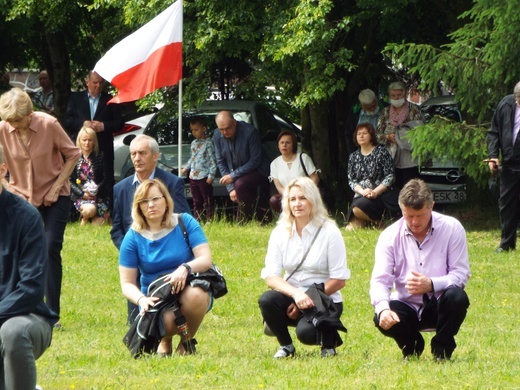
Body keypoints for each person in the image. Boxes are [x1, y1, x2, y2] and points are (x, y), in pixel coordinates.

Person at [0, 88, 80, 322]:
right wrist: (11, 189)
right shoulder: (3, 129)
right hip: (21, 198)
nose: (15, 125)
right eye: (10, 121)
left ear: (30, 113)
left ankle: (51, 313)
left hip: (54, 195)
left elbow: (73, 154)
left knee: (49, 247)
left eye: (18, 120)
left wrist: (56, 187)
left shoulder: (49, 124)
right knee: (17, 249)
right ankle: (17, 304)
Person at [370, 179, 470, 361]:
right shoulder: (389, 236)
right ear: (401, 209)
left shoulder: (452, 228)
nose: (414, 222)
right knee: (380, 314)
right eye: (409, 216)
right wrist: (383, 310)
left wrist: (431, 284)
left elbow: (461, 274)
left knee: (458, 297)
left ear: (432, 206)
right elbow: (380, 280)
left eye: (420, 215)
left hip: (440, 301)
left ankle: (442, 349)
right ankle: (412, 345)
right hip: (405, 304)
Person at [258, 177, 350, 358]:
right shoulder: (280, 232)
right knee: (267, 300)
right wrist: (296, 295)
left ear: (313, 201)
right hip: (293, 295)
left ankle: (328, 339)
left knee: (306, 334)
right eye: (292, 199)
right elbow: (271, 277)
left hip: (324, 298)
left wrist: (306, 300)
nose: (297, 204)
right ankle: (286, 346)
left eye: (302, 198)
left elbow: (339, 281)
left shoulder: (330, 232)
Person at [119, 179, 212, 355]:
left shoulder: (185, 222)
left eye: (155, 198)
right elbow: (126, 283)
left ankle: (186, 343)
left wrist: (185, 268)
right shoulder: (132, 237)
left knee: (197, 295)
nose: (151, 205)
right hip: (155, 298)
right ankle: (165, 338)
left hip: (188, 288)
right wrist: (141, 300)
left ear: (166, 200)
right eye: (144, 201)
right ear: (138, 207)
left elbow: (205, 259)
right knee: (164, 323)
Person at [111, 134, 191, 324]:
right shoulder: (121, 188)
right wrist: (132, 250)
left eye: (142, 153)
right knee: (136, 323)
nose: (137, 158)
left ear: (155, 156)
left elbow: (183, 223)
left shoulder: (172, 183)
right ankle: (138, 323)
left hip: (166, 256)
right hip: (135, 255)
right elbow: (116, 229)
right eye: (133, 154)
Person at [0, 145, 59, 389]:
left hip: (26, 316)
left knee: (12, 332)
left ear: (3, 169)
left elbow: (31, 289)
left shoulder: (26, 217)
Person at [64, 70, 124, 207]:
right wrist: (82, 124)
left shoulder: (110, 100)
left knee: (106, 178)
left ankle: (106, 209)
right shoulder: (75, 99)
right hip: (81, 148)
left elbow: (120, 123)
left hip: (103, 147)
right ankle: (78, 209)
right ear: (87, 83)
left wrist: (104, 126)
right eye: (95, 83)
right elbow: (67, 121)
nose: (98, 86)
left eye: (101, 83)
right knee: (77, 177)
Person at [213, 110, 270, 222]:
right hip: (238, 172)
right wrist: (230, 188)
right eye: (221, 129)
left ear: (234, 123)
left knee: (240, 183)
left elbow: (255, 160)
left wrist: (233, 176)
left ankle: (243, 221)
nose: (224, 132)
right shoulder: (216, 134)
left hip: (258, 169)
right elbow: (221, 161)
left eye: (227, 128)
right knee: (240, 186)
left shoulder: (250, 131)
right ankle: (257, 219)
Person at [486, 81, 520, 253]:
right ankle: (506, 244)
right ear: (516, 98)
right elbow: (494, 132)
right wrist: (493, 156)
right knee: (507, 204)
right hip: (509, 163)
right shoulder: (505, 104)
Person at [346, 123, 399, 230]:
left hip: (379, 195)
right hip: (361, 195)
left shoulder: (381, 152)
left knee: (357, 210)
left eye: (364, 133)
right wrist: (362, 191)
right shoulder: (353, 157)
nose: (361, 136)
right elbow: (351, 180)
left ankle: (379, 223)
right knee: (350, 229)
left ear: (371, 136)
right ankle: (373, 221)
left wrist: (375, 192)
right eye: (358, 134)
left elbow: (390, 176)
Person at [376, 81, 424, 190]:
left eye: (399, 95)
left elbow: (422, 132)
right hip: (391, 156)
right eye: (393, 95)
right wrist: (387, 137)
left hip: (410, 156)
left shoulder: (414, 110)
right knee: (394, 188)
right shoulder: (385, 112)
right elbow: (376, 135)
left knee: (411, 188)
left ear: (405, 94)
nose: (396, 98)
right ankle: (395, 207)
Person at [269, 130, 319, 213]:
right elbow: (279, 186)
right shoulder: (274, 164)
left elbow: (315, 178)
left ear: (293, 145)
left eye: (288, 143)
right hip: (287, 195)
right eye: (282, 143)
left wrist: (305, 193)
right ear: (278, 145)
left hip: (305, 193)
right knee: (274, 200)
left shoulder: (303, 158)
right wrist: (290, 195)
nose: (284, 145)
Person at [69, 126, 110, 225]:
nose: (87, 143)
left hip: (99, 196)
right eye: (84, 140)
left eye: (90, 140)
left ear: (94, 141)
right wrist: (82, 194)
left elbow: (106, 179)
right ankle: (85, 217)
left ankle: (90, 217)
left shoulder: (101, 156)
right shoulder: (74, 158)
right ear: (79, 141)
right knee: (90, 210)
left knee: (98, 225)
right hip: (82, 196)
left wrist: (96, 190)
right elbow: (69, 180)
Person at [180, 116, 217, 221]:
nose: (194, 132)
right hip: (193, 176)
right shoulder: (193, 143)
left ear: (204, 129)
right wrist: (186, 168)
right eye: (192, 130)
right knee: (196, 200)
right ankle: (198, 219)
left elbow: (212, 161)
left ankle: (210, 219)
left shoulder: (209, 143)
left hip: (204, 176)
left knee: (207, 200)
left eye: (196, 130)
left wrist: (211, 175)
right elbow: (192, 158)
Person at [345, 88, 384, 156]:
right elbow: (348, 133)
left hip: (382, 152)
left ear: (376, 99)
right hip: (361, 153)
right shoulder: (355, 112)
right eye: (369, 108)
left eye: (374, 105)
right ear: (362, 105)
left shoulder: (385, 108)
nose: (372, 109)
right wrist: (353, 153)